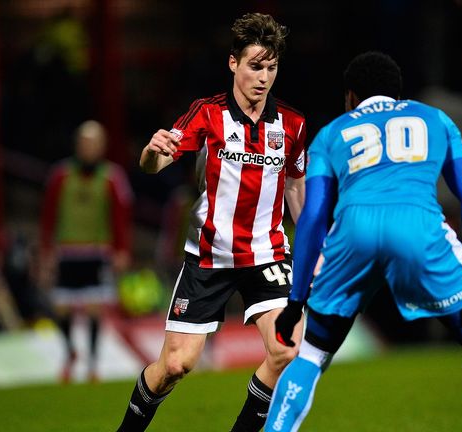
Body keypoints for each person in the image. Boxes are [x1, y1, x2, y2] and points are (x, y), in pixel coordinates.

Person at [266, 51, 462, 432]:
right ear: (397, 94)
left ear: (350, 96)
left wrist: (297, 300)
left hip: (352, 231)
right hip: (417, 226)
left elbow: (314, 217)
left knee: (311, 355)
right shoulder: (435, 119)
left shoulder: (331, 133)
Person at [115, 12, 306, 432]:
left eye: (272, 68)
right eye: (256, 65)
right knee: (176, 365)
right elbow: (156, 163)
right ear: (233, 63)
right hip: (209, 256)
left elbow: (295, 186)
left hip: (266, 253)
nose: (264, 77)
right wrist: (151, 150)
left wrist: (313, 246)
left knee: (285, 349)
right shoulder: (207, 113)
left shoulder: (293, 124)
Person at [40, 120, 133, 383]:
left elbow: (120, 216)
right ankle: (70, 351)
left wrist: (121, 250)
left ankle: (92, 362)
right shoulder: (60, 175)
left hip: (97, 251)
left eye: (94, 143)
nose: (89, 148)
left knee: (94, 309)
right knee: (61, 309)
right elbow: (48, 215)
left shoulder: (112, 177)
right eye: (85, 142)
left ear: (102, 146)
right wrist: (46, 250)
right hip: (68, 251)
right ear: (77, 145)